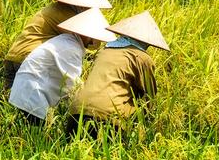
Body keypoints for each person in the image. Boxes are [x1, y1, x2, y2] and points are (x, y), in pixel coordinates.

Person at [67, 10, 169, 139]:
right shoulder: (142, 57)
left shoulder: (104, 50)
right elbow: (148, 97)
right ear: (145, 42)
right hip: (107, 119)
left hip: (77, 112)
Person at [8, 8, 116, 125]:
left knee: (28, 129)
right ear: (84, 34)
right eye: (93, 37)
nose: (95, 41)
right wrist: (88, 102)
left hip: (27, 89)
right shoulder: (71, 48)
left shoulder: (68, 41)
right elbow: (71, 84)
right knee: (35, 133)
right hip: (32, 94)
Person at [3, 0, 112, 91]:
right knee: (43, 99)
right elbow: (92, 43)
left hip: (12, 57)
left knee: (11, 101)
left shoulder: (55, 8)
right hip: (29, 58)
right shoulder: (69, 17)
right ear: (82, 5)